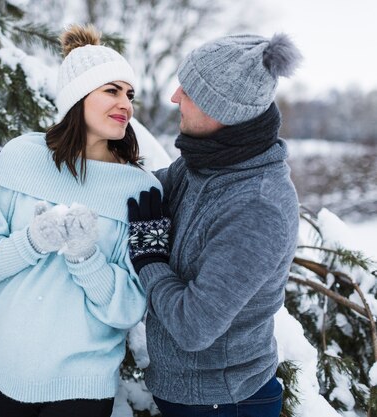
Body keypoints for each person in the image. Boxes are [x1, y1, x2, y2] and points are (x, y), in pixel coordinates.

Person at [0, 24, 161, 417]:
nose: (126, 104)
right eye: (112, 90)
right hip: (6, 370)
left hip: (82, 382)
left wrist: (87, 258)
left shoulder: (137, 189)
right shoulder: (19, 157)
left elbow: (128, 308)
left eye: (130, 94)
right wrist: (31, 241)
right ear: (77, 96)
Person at [127, 34, 303, 417]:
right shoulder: (209, 163)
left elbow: (194, 327)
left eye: (187, 90)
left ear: (219, 109)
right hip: (191, 397)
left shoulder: (258, 207)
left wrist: (149, 256)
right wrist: (36, 167)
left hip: (224, 404)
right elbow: (141, 191)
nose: (174, 97)